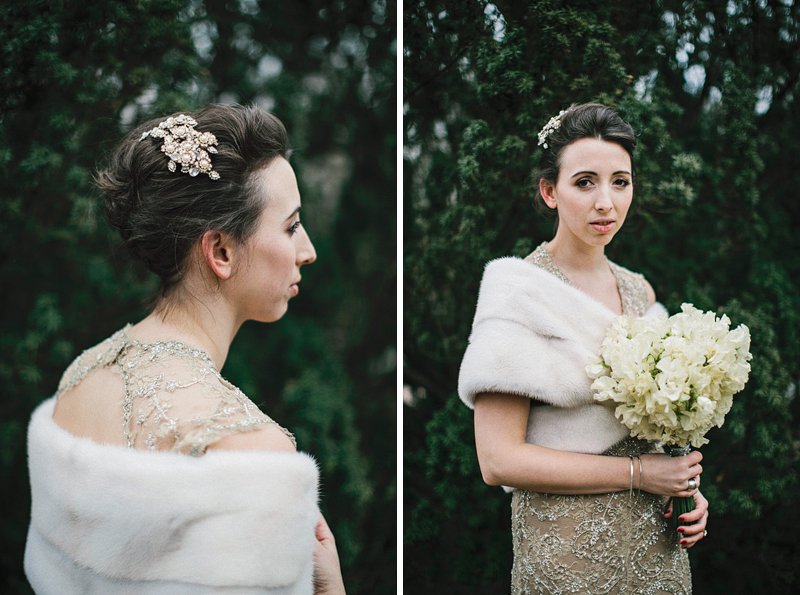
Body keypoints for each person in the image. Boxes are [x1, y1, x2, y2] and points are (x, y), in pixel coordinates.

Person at [24, 104, 346, 595]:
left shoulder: (83, 376)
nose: (308, 250)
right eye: (290, 226)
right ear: (220, 251)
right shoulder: (251, 452)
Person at [458, 103, 709, 594]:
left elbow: (660, 435)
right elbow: (498, 461)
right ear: (549, 191)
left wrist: (689, 492)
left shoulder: (641, 293)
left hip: (656, 550)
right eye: (585, 182)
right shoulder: (519, 293)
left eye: (620, 181)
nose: (606, 203)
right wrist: (641, 475)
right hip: (569, 554)